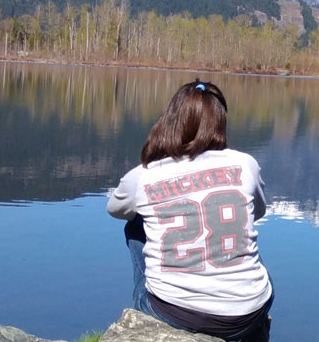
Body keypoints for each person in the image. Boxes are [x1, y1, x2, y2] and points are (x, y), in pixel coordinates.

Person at [107, 80, 273, 341]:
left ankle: (157, 307)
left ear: (170, 120)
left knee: (135, 223)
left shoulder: (143, 176)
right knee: (242, 234)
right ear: (220, 122)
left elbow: (115, 209)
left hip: (174, 312)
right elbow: (257, 213)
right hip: (248, 314)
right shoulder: (245, 164)